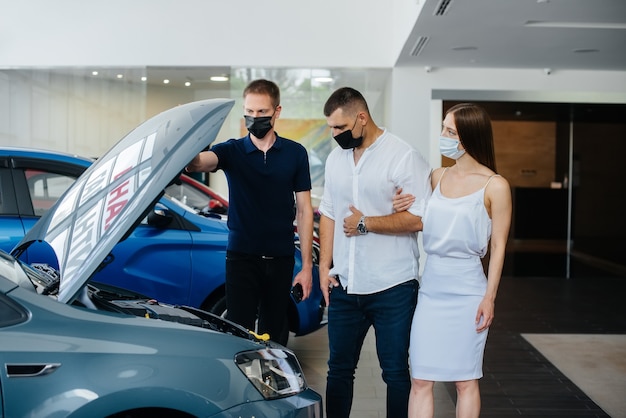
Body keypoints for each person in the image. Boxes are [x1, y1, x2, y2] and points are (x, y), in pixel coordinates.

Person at [318, 87, 431, 418]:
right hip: (346, 284)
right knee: (338, 370)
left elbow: (419, 219)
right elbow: (328, 212)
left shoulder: (403, 156)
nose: (334, 135)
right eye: (331, 128)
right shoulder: (336, 158)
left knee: (394, 372)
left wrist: (365, 223)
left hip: (392, 286)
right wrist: (325, 268)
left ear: (362, 118)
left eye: (340, 128)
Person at [394, 103, 512, 418]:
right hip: (431, 289)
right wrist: (401, 202)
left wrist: (490, 297)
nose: (442, 136)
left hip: (469, 291)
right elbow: (416, 214)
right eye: (443, 129)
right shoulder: (436, 177)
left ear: (468, 138)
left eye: (449, 131)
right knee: (419, 378)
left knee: (465, 380)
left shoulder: (495, 186)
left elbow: (499, 246)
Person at [186, 79, 314, 346]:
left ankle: (273, 385)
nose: (254, 118)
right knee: (238, 333)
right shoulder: (231, 150)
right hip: (241, 258)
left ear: (277, 112)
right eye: (250, 112)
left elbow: (304, 210)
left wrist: (307, 267)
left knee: (275, 336)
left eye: (262, 113)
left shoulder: (295, 153)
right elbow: (198, 162)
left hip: (281, 259)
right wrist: (189, 131)